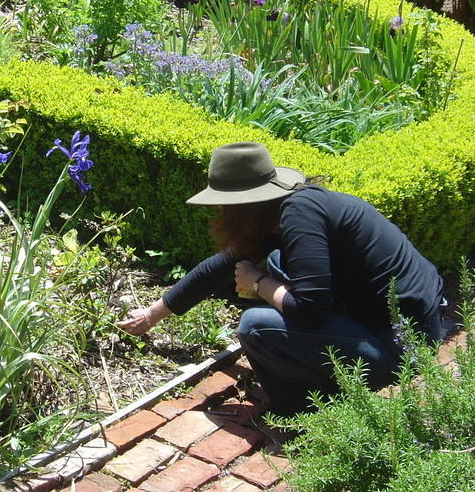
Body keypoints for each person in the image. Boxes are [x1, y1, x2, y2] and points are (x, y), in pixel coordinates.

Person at [117, 141, 446, 416]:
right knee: (277, 264)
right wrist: (151, 315)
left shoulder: (299, 216)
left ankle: (303, 416)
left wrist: (257, 283)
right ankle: (323, 386)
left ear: (242, 205)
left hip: (401, 347)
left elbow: (310, 310)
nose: (221, 213)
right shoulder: (289, 209)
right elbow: (220, 267)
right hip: (410, 323)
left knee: (255, 326)